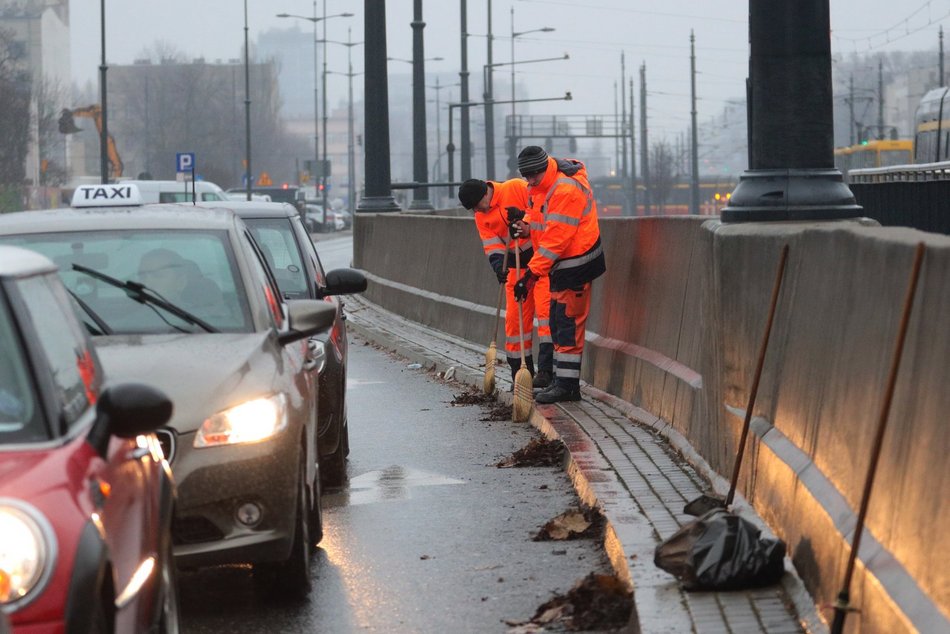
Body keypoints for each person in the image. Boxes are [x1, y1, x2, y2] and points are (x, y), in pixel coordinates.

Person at [512, 146, 606, 404]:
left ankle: (567, 387)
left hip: (575, 263)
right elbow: (539, 216)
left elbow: (556, 239)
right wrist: (525, 225)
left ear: (546, 167)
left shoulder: (565, 190)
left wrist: (531, 274)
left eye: (533, 175)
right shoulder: (542, 187)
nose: (529, 181)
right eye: (526, 175)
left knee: (567, 325)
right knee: (557, 323)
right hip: (561, 265)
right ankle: (561, 382)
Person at [458, 178, 554, 388]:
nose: (476, 211)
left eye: (476, 205)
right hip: (515, 269)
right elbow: (491, 245)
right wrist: (498, 266)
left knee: (546, 317)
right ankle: (521, 373)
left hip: (540, 264)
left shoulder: (515, 187)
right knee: (515, 322)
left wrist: (523, 220)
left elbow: (539, 207)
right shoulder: (480, 216)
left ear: (485, 194)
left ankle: (547, 372)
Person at [137, 248, 224, 317]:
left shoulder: (203, 322)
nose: (146, 283)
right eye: (142, 276)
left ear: (180, 282)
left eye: (157, 275)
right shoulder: (127, 321)